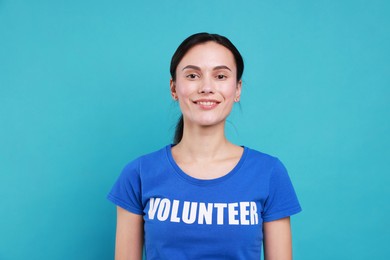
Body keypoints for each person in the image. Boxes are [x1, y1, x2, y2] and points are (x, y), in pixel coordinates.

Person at [107, 32, 302, 260]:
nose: (206, 87)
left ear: (237, 89)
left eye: (220, 76)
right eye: (192, 75)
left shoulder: (269, 173)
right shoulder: (139, 173)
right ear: (173, 88)